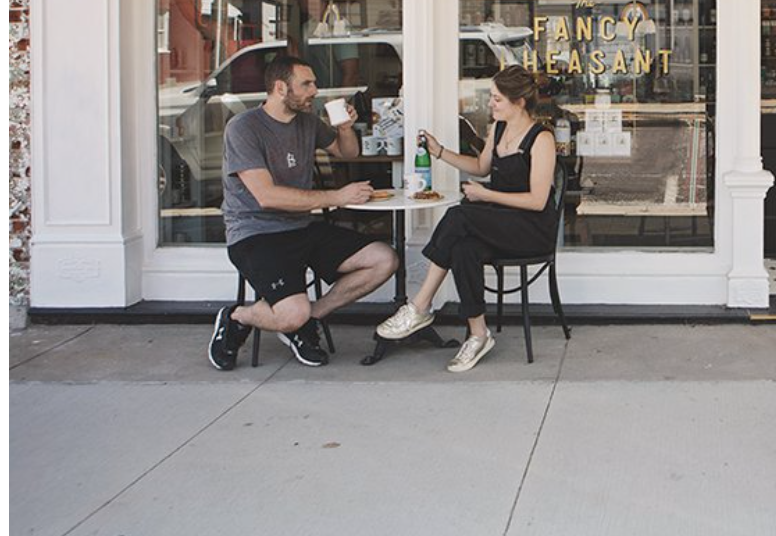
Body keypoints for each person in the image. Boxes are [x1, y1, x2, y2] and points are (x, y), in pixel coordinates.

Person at [207, 55, 397, 369]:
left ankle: (308, 320)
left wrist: (345, 128)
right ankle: (237, 317)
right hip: (256, 233)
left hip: (302, 226)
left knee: (383, 259)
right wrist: (336, 195)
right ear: (281, 88)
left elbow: (347, 152)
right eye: (306, 84)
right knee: (292, 312)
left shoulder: (307, 121)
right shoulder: (244, 128)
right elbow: (266, 197)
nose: (315, 90)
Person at [376, 64, 558, 372]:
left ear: (519, 102)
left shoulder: (541, 139)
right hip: (500, 224)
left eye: (497, 99)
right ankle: (478, 334)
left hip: (531, 229)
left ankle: (419, 306)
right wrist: (440, 151)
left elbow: (538, 201)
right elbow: (480, 167)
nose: (490, 103)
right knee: (463, 249)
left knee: (459, 215)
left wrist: (486, 196)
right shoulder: (498, 130)